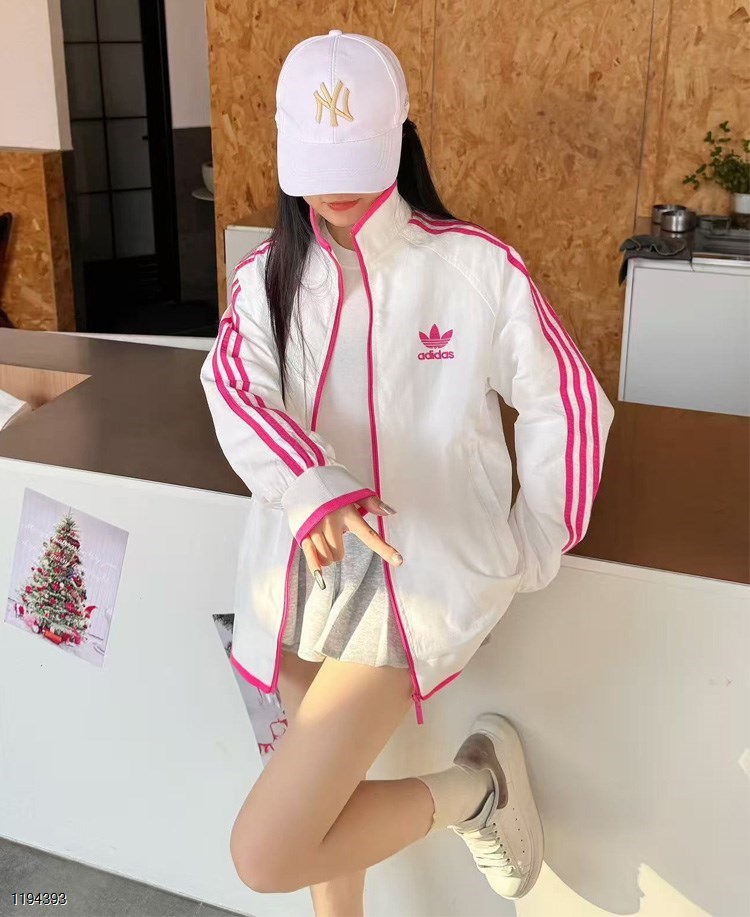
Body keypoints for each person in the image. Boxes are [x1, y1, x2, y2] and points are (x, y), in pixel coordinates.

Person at [199, 28, 615, 914]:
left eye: (356, 156)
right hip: (301, 576)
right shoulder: (263, 280)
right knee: (322, 812)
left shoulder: (472, 267)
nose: (337, 186)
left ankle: (476, 791)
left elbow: (570, 404)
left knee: (265, 853)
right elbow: (234, 387)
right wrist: (314, 487)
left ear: (400, 138)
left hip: (409, 579)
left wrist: (532, 543)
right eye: (318, 163)